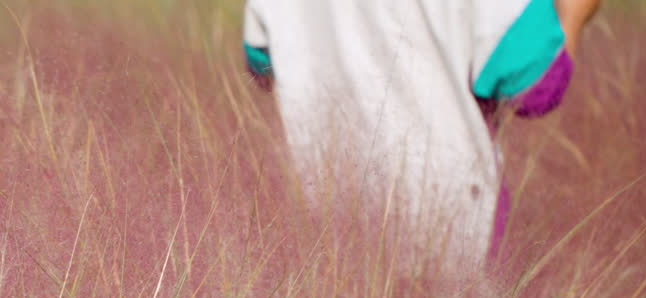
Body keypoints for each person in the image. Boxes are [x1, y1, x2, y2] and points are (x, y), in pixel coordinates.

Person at [243, 0, 603, 269]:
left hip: (325, 227)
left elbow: (261, 60)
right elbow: (535, 85)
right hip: (453, 231)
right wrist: (573, 15)